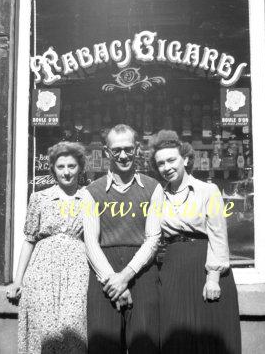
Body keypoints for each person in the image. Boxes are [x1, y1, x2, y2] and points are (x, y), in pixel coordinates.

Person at [149, 130, 241, 354]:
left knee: (209, 337)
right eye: (161, 163)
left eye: (171, 160)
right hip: (173, 268)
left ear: (186, 159)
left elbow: (218, 235)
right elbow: (151, 237)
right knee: (176, 336)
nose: (167, 167)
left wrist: (213, 277)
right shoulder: (158, 195)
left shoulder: (208, 191)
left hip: (205, 266)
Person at [82, 124, 162, 354]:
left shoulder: (153, 188)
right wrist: (112, 281)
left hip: (143, 272)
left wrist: (125, 277)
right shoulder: (92, 191)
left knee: (145, 343)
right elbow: (90, 242)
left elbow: (153, 238)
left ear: (137, 149)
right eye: (116, 150)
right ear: (107, 152)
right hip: (103, 274)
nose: (123, 155)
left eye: (128, 148)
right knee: (103, 344)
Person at [6, 141, 89, 354]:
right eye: (61, 167)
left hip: (77, 271)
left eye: (71, 166)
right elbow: (29, 239)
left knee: (74, 327)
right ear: (53, 169)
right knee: (44, 330)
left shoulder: (88, 198)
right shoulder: (39, 198)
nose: (66, 172)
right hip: (41, 271)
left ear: (80, 167)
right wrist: (18, 280)